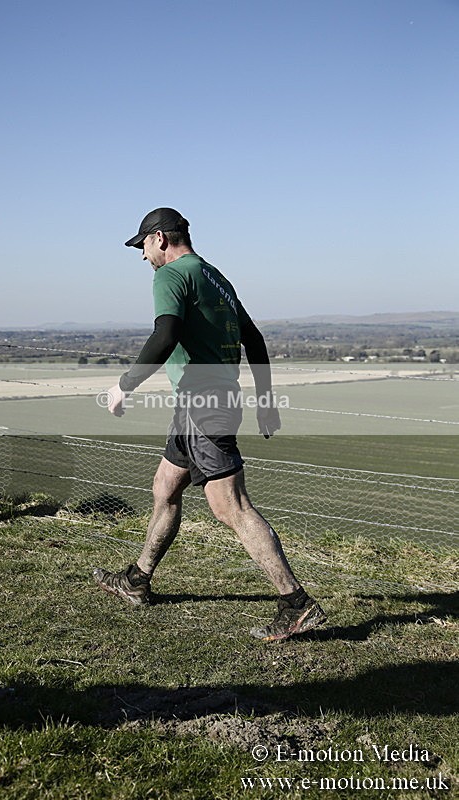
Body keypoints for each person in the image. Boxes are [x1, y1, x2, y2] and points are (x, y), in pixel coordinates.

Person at [93, 208, 326, 642]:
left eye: (143, 246)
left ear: (160, 239)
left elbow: (164, 336)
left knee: (230, 506)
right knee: (165, 487)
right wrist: (265, 400)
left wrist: (125, 385)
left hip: (206, 405)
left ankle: (297, 604)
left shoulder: (171, 275)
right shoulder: (216, 276)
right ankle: (138, 580)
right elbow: (253, 339)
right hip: (199, 402)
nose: (143, 256)